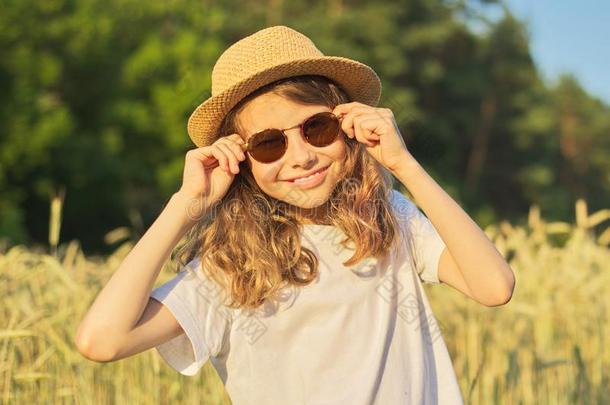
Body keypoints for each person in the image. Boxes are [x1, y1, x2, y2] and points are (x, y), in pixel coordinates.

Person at [75, 25, 515, 404]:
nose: (302, 156)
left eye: (316, 128)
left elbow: (494, 286)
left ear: (347, 126)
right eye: (269, 143)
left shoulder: (387, 219)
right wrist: (184, 207)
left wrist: (404, 166)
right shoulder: (230, 268)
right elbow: (101, 340)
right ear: (241, 161)